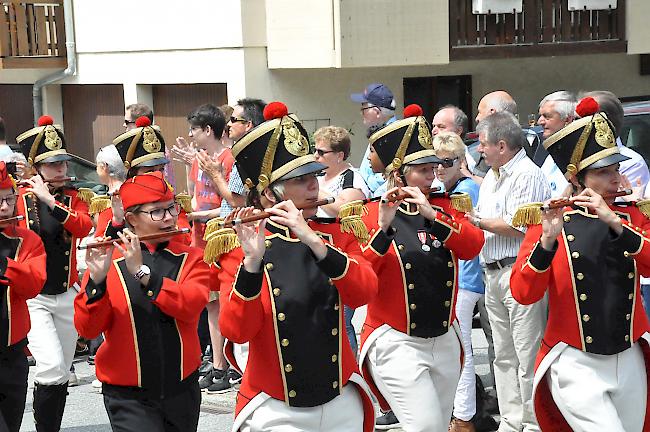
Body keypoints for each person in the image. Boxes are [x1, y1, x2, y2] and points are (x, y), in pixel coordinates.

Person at [213, 102, 378, 431]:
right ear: (270, 194)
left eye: (314, 175)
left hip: (340, 398)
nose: (314, 186)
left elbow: (365, 292)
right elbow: (236, 331)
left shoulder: (335, 235)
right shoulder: (240, 248)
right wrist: (251, 263)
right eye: (300, 180)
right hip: (275, 405)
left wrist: (314, 241)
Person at [510, 96, 650, 431]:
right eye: (604, 173)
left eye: (616, 170)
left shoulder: (632, 216)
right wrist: (546, 242)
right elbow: (523, 293)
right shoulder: (549, 220)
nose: (616, 180)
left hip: (628, 354)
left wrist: (615, 223)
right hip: (575, 360)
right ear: (577, 178)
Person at [358, 105, 484, 432]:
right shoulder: (371, 214)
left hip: (443, 335)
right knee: (425, 426)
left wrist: (432, 215)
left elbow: (472, 245)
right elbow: (360, 279)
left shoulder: (445, 208)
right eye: (423, 170)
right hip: (394, 338)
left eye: (435, 168)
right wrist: (383, 230)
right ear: (399, 174)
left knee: (438, 426)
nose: (433, 176)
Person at [74, 171, 211, 432]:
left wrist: (142, 274)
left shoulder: (191, 257)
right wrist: (97, 282)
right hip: (128, 396)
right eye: (157, 212)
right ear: (132, 219)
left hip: (181, 390)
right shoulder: (108, 261)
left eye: (171, 208)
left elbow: (191, 306)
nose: (170, 217)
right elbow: (88, 329)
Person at [468, 112, 550, 432]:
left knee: (527, 351)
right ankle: (511, 420)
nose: (479, 151)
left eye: (484, 145)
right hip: (493, 272)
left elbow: (521, 225)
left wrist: (476, 222)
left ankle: (532, 422)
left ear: (502, 145)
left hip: (520, 269)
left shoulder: (527, 174)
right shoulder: (491, 176)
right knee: (503, 353)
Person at [15, 115, 94, 431]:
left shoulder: (75, 198)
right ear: (36, 166)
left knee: (61, 370)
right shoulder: (20, 200)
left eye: (63, 162)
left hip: (66, 294)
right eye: (52, 164)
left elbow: (83, 226)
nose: (61, 169)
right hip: (35, 299)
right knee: (49, 367)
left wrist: (51, 200)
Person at [432, 132, 485, 432]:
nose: (439, 168)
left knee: (462, 349)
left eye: (446, 162)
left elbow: (469, 237)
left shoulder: (465, 191)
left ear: (460, 162)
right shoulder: (451, 187)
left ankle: (464, 418)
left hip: (465, 279)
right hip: (459, 278)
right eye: (435, 162)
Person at [313, 126, 370, 358]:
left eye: (321, 152)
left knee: (343, 320)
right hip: (318, 253)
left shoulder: (352, 177)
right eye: (314, 151)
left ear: (339, 155)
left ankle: (352, 372)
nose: (315, 156)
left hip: (343, 254)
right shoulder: (318, 177)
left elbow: (345, 210)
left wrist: (314, 194)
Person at [0, 162, 47, 432]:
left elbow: (32, 285)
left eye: (10, 199)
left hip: (11, 353)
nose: (6, 207)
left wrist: (5, 265)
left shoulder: (27, 240)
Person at [351, 83, 398, 197]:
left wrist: (359, 179)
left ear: (376, 112)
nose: (361, 112)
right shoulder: (380, 132)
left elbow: (388, 176)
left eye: (364, 108)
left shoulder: (392, 135)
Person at [536, 91, 576, 197]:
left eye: (547, 116)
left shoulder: (578, 157)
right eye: (540, 116)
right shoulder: (550, 155)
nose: (540, 121)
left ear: (567, 119)